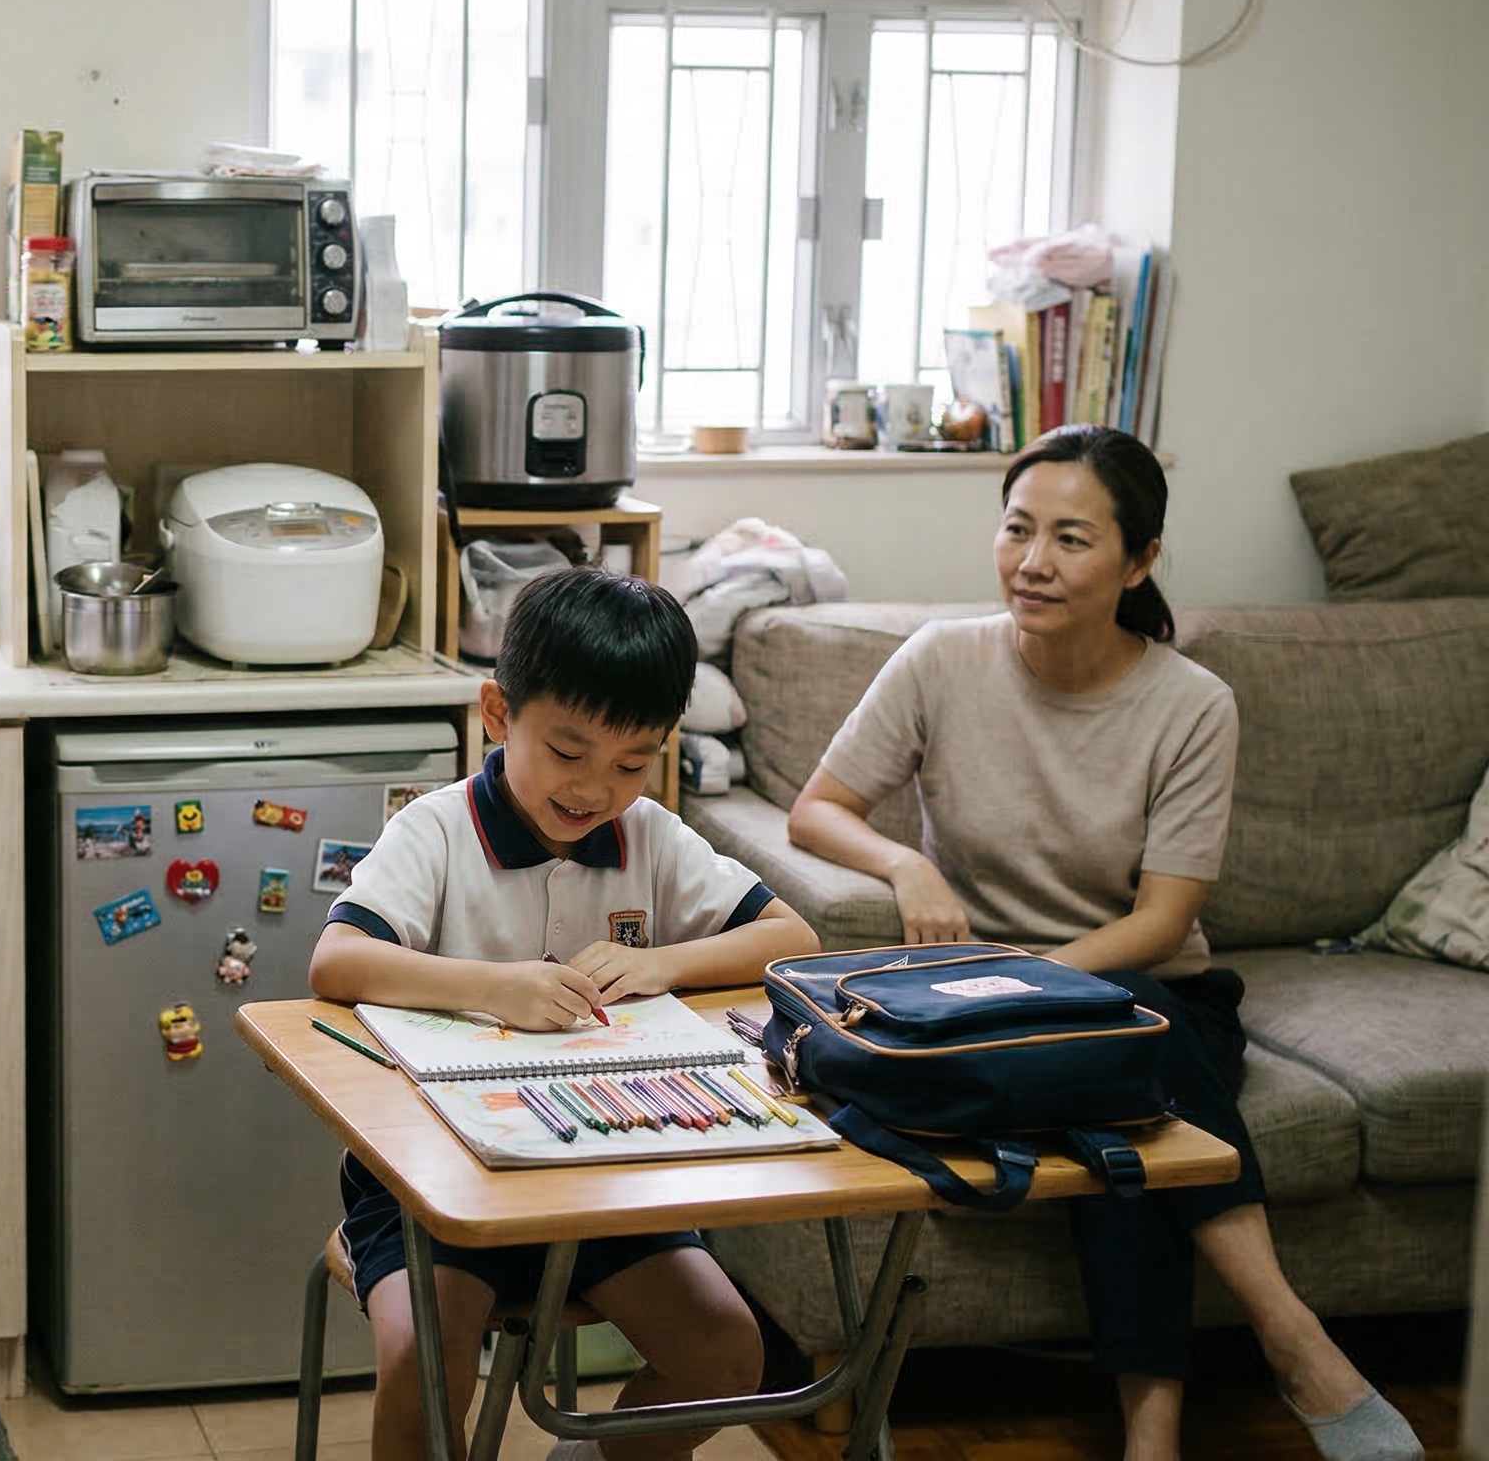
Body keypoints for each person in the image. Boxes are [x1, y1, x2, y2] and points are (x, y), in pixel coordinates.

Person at [786, 425, 1420, 1461]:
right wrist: (909, 866)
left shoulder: (1190, 705)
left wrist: (1027, 984)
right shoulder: (942, 661)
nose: (1031, 562)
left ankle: (1201, 1396)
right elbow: (819, 811)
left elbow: (1161, 926)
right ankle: (1265, 1357)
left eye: (1070, 539)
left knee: (1134, 1060)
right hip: (974, 1008)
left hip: (1139, 990)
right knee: (1118, 1091)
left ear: (1138, 562)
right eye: (1016, 529)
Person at [309, 568, 821, 1461]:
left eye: (632, 761)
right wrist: (495, 984)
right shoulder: (438, 829)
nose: (595, 789)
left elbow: (794, 938)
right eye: (570, 751)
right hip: (437, 1186)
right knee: (422, 1358)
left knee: (727, 1352)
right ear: (499, 715)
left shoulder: (649, 835)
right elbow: (337, 961)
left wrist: (663, 962)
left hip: (604, 1182)